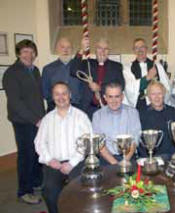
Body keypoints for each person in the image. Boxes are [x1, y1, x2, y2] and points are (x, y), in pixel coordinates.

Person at [34, 82, 116, 213]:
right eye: (57, 94)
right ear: (53, 97)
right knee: (49, 191)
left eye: (64, 93)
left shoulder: (81, 117)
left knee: (79, 191)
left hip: (77, 162)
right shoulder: (47, 119)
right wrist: (49, 160)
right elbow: (39, 143)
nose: (61, 97)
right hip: (54, 163)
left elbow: (88, 142)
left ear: (70, 95)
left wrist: (71, 163)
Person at [2, 39, 45, 204]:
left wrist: (42, 118)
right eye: (25, 51)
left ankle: (35, 182)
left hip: (37, 120)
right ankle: (24, 191)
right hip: (23, 122)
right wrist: (35, 120)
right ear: (19, 53)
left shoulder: (35, 71)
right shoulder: (11, 73)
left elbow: (38, 97)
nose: (29, 55)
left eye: (32, 52)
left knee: (37, 152)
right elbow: (15, 102)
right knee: (26, 156)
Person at [71, 37, 125, 119]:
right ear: (95, 50)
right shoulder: (87, 64)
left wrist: (100, 88)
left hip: (108, 108)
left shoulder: (116, 66)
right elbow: (73, 71)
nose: (102, 51)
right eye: (100, 48)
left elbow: (121, 85)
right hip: (88, 109)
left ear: (109, 51)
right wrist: (81, 50)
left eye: (106, 49)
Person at [92, 82, 141, 164]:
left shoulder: (133, 113)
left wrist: (124, 161)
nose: (114, 100)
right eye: (110, 97)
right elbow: (99, 144)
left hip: (129, 157)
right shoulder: (97, 115)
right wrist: (115, 164)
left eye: (117, 96)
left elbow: (135, 141)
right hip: (106, 159)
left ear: (122, 97)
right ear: (105, 98)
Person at [123, 38, 171, 111]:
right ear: (133, 50)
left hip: (155, 107)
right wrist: (147, 78)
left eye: (142, 47)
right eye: (136, 48)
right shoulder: (128, 68)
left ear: (146, 49)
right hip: (138, 107)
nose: (140, 50)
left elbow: (166, 87)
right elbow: (129, 88)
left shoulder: (157, 66)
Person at [138, 81, 175, 161]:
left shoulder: (173, 112)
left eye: (159, 93)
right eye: (153, 94)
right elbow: (139, 140)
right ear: (149, 96)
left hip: (170, 157)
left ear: (164, 94)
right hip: (149, 157)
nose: (157, 97)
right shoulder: (141, 113)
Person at [42, 38, 81, 112]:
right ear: (57, 49)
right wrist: (60, 100)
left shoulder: (80, 68)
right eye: (62, 47)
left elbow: (83, 90)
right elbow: (45, 92)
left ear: (72, 49)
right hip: (55, 109)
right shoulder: (48, 69)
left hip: (76, 109)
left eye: (68, 47)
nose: (65, 50)